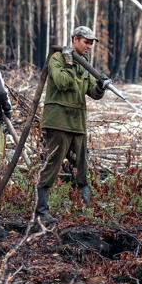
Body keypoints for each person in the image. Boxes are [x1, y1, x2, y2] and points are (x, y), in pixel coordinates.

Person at [34, 26, 112, 225]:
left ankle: (85, 209)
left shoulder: (84, 64)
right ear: (75, 39)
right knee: (52, 165)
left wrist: (100, 86)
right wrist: (69, 63)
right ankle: (41, 212)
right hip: (59, 122)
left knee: (81, 168)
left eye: (91, 43)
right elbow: (62, 82)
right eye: (86, 42)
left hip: (77, 124)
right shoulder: (57, 59)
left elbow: (93, 93)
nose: (89, 46)